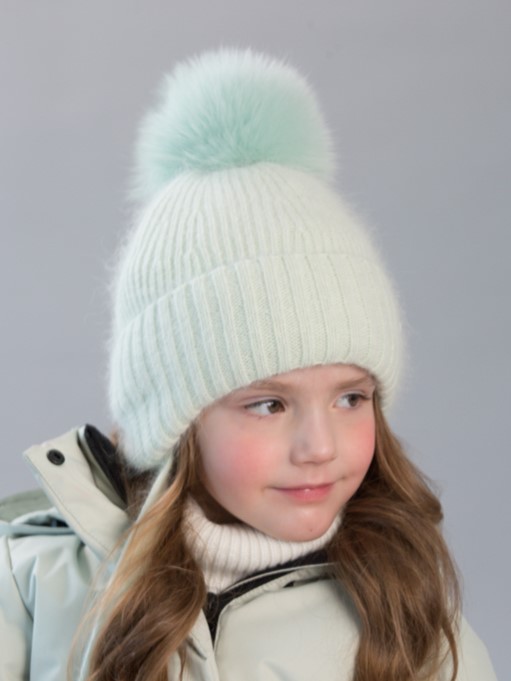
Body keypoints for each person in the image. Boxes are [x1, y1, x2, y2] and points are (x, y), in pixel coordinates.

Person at [0, 48, 498, 681]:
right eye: (269, 404)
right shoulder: (32, 589)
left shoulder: (410, 621)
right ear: (176, 420)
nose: (320, 447)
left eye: (351, 398)